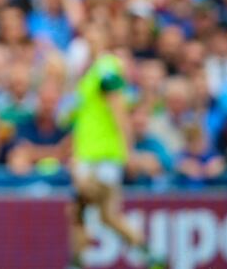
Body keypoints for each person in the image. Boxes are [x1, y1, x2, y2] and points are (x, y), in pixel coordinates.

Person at [67, 42, 162, 269]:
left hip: (101, 158)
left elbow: (119, 113)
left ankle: (77, 262)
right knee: (109, 216)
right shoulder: (94, 76)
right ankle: (152, 257)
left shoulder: (107, 66)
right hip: (94, 155)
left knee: (77, 207)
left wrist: (129, 152)